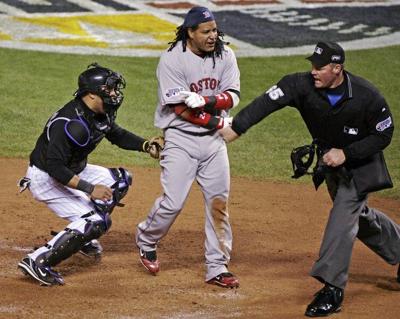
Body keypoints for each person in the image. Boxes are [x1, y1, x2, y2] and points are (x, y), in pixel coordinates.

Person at [220, 41, 399, 316]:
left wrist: (347, 153)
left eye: (320, 67)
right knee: (358, 219)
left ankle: (332, 289)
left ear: (337, 68)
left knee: (342, 217)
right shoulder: (299, 85)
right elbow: (267, 103)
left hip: (361, 164)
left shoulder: (367, 96)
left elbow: (383, 135)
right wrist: (238, 128)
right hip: (331, 164)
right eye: (312, 65)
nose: (313, 71)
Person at [17, 63, 163, 286]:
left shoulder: (97, 112)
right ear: (92, 95)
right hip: (46, 178)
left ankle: (81, 238)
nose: (115, 94)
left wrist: (145, 145)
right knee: (96, 220)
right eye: (110, 89)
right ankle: (38, 262)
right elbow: (55, 168)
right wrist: (90, 189)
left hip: (73, 168)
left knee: (120, 181)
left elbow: (116, 134)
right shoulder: (70, 124)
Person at [135, 6, 241, 288]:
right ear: (190, 33)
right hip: (180, 139)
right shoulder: (172, 59)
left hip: (213, 145)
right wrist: (218, 124)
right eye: (206, 32)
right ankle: (146, 238)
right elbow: (181, 108)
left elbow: (233, 96)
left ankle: (217, 266)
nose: (212, 36)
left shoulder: (225, 54)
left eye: (215, 30)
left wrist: (207, 102)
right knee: (173, 202)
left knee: (219, 203)